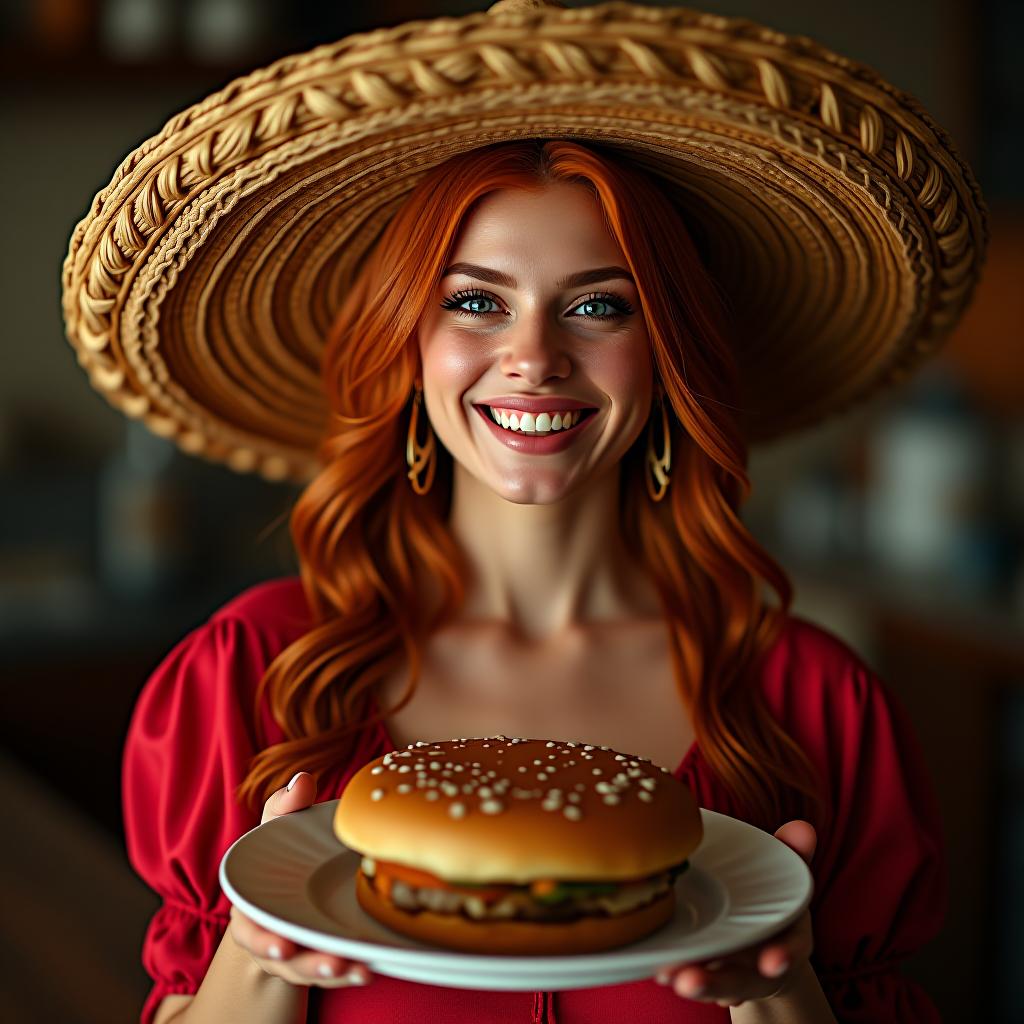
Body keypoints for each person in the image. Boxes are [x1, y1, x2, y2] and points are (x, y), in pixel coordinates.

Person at [61, 3, 986, 1023]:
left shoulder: (817, 707)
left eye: (599, 304)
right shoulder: (245, 680)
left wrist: (776, 990)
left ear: (667, 356)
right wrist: (262, 951)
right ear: (404, 344)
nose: (535, 357)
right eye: (475, 300)